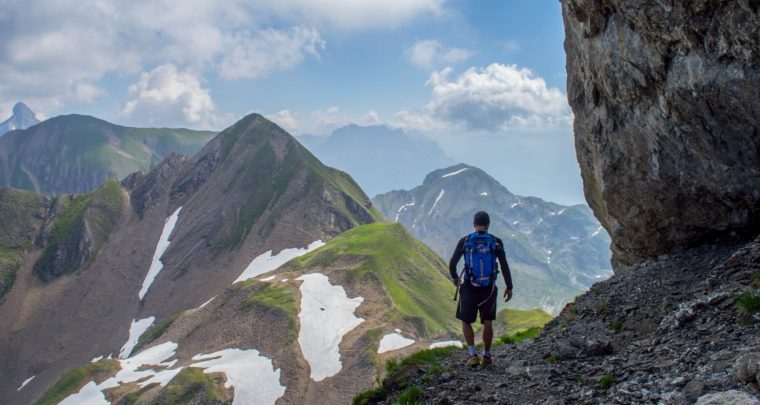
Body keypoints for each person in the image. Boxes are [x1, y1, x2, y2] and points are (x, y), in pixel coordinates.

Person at [449, 210, 513, 366]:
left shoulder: (465, 241)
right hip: (488, 289)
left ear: (474, 224)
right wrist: (509, 286)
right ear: (488, 225)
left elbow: (452, 264)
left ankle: (472, 355)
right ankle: (487, 356)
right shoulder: (496, 242)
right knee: (488, 321)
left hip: (469, 287)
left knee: (466, 321)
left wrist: (456, 279)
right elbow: (504, 265)